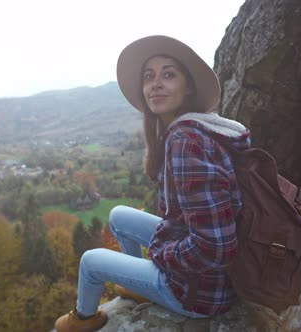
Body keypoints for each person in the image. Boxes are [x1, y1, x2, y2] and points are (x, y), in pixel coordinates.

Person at [55, 35, 251, 332]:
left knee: (90, 261)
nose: (155, 83)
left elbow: (217, 247)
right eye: (149, 76)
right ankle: (138, 286)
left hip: (199, 294)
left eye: (168, 74)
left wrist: (161, 256)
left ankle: (84, 318)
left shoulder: (186, 142)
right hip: (208, 279)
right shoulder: (196, 129)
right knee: (119, 215)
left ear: (188, 89)